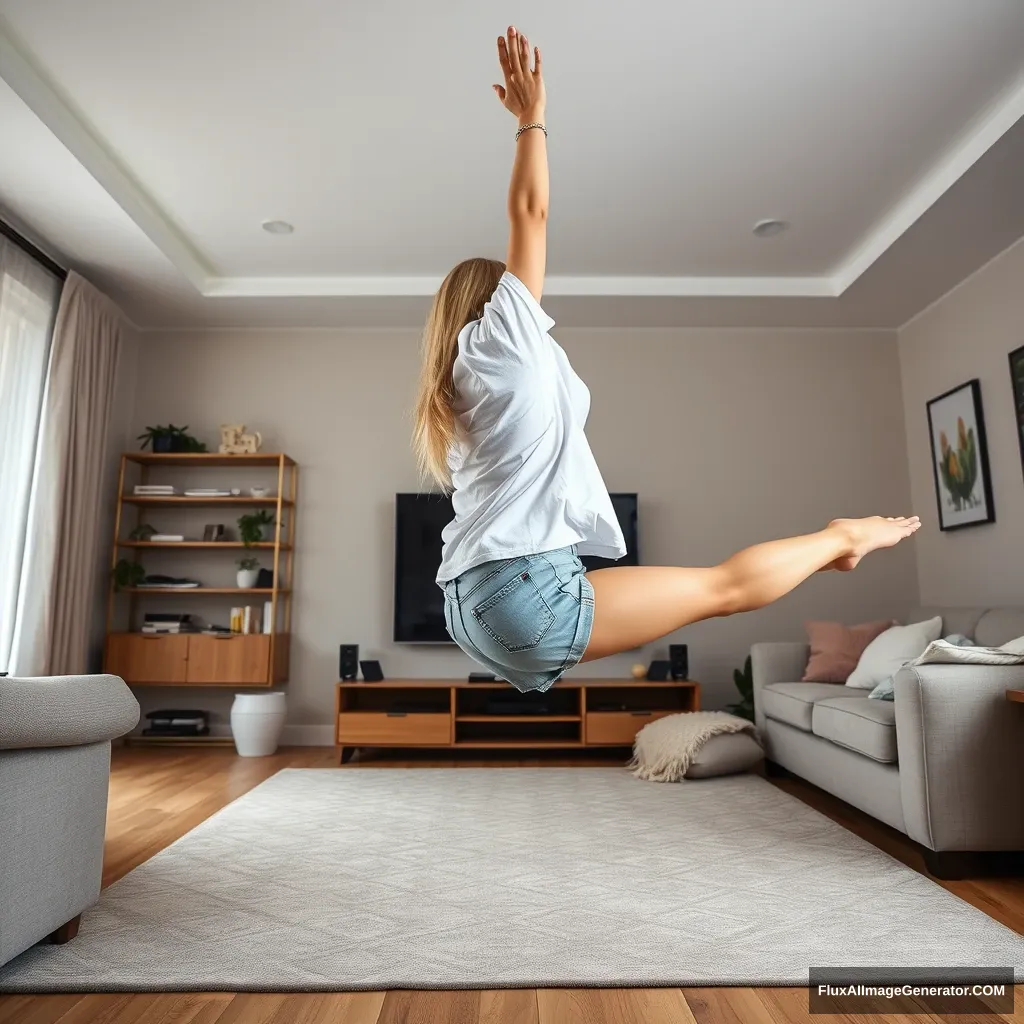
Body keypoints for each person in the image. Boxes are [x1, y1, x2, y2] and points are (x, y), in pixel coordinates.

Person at [412, 26, 920, 693]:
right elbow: (529, 215)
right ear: (491, 302)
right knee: (724, 588)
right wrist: (532, 120)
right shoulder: (499, 336)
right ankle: (840, 539)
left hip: (472, 609)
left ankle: (835, 543)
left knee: (720, 587)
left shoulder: (462, 384)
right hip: (520, 594)